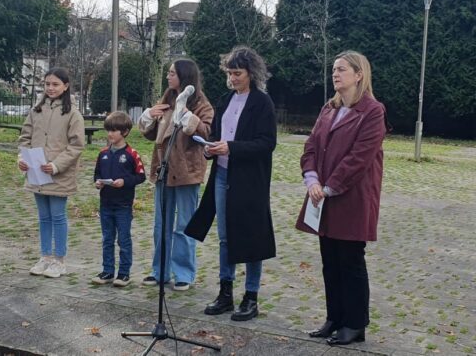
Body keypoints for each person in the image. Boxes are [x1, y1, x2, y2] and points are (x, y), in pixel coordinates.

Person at [295, 51, 388, 346]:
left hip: (353, 198)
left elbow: (359, 158)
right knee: (330, 260)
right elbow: (311, 146)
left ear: (359, 75)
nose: (335, 74)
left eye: (342, 69)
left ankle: (355, 324)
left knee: (350, 261)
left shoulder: (372, 111)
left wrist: (330, 186)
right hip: (322, 196)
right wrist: (312, 179)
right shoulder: (329, 108)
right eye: (334, 69)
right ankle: (334, 318)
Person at [184, 46, 277, 321]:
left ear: (251, 73)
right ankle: (226, 292)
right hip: (223, 175)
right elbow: (215, 135)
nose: (232, 78)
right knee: (225, 236)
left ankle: (251, 296)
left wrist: (231, 148)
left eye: (237, 73)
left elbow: (267, 143)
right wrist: (209, 148)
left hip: (249, 179)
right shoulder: (225, 100)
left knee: (251, 235)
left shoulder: (262, 103)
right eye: (229, 73)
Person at [138, 58, 214, 291]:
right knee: (161, 224)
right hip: (163, 169)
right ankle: (159, 271)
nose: (168, 76)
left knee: (184, 224)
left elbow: (206, 132)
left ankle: (183, 273)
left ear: (184, 75)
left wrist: (188, 116)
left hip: (187, 171)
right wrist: (149, 117)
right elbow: (153, 135)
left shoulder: (201, 103)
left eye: (172, 73)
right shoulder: (166, 99)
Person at [18, 67, 85, 279]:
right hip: (37, 172)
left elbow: (76, 145)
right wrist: (22, 159)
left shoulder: (73, 114)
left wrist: (56, 165)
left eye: (55, 84)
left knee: (58, 216)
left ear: (66, 86)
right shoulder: (36, 110)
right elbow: (25, 137)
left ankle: (59, 260)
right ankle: (45, 256)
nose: (50, 88)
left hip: (59, 175)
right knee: (44, 217)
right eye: (47, 84)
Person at [91, 111, 146, 287]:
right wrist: (98, 183)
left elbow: (141, 176)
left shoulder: (132, 154)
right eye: (108, 130)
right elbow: (97, 174)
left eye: (114, 130)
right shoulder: (103, 154)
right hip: (105, 204)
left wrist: (125, 182)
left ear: (125, 132)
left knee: (124, 239)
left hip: (123, 205)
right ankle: (107, 271)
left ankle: (123, 273)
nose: (110, 134)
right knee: (107, 239)